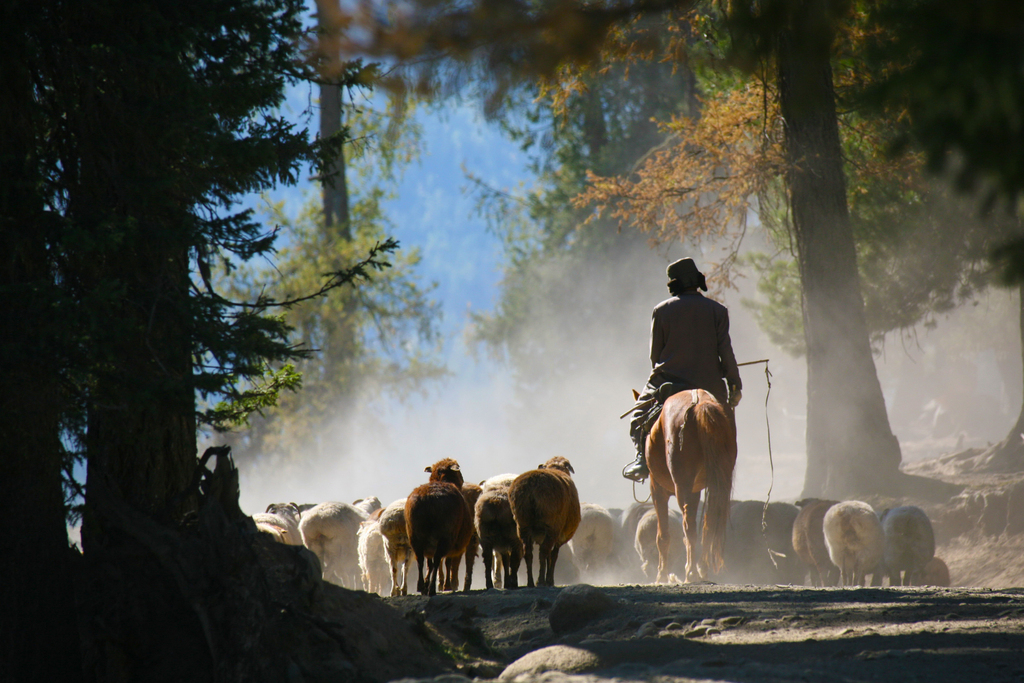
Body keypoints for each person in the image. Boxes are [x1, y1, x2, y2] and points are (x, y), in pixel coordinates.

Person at [622, 257, 742, 483]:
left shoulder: (661, 310)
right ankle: (727, 462)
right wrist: (734, 385)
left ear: (673, 284)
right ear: (696, 281)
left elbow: (655, 356)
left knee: (638, 417)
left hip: (670, 383)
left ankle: (641, 460)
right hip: (711, 385)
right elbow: (726, 353)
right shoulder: (718, 310)